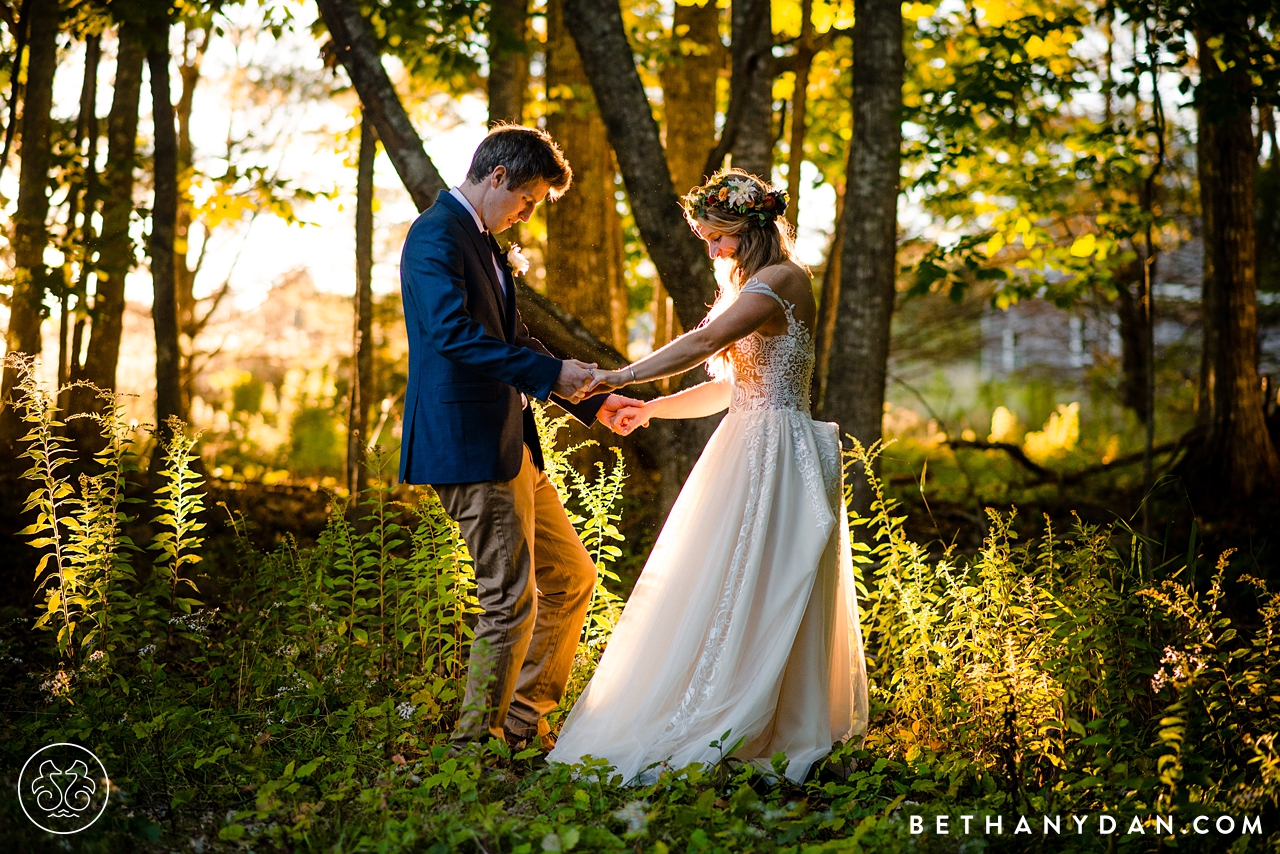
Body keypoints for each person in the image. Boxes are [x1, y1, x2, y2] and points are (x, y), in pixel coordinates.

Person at [546, 169, 869, 783]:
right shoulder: (753, 286)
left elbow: (706, 342)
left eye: (717, 237)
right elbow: (728, 386)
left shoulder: (782, 281)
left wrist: (618, 378)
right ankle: (732, 701)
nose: (712, 250)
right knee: (726, 579)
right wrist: (651, 410)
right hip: (745, 440)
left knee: (769, 580)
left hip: (777, 449)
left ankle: (760, 717)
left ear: (748, 229)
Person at [398, 123, 640, 751]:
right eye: (527, 200)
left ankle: (524, 723)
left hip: (512, 442)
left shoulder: (481, 241)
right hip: (470, 442)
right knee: (508, 601)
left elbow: (509, 344)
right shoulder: (435, 236)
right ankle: (473, 748)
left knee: (571, 580)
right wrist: (551, 372)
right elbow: (453, 336)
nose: (527, 215)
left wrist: (591, 397)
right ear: (497, 177)